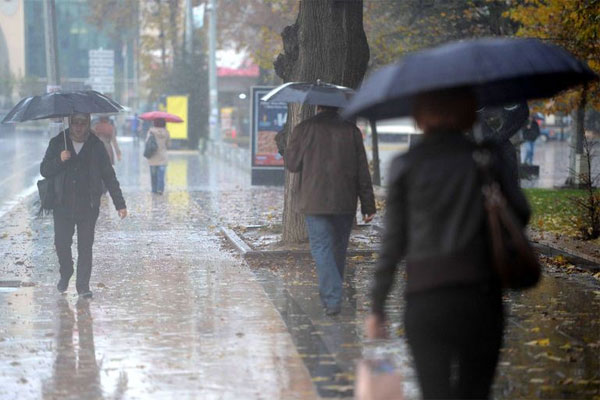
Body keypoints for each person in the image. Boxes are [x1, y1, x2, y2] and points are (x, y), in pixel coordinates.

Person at [365, 89, 530, 399]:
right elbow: (521, 213)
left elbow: (393, 243)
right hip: (480, 297)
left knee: (435, 392)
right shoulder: (487, 156)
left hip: (426, 299)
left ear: (420, 115)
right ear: (469, 113)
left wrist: (377, 306)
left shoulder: (406, 164)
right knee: (475, 391)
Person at [284, 105, 376, 316]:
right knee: (337, 249)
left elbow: (292, 164)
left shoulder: (304, 128)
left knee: (321, 248)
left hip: (314, 201)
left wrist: (288, 144)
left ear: (317, 106)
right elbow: (363, 170)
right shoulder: (351, 131)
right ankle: (332, 296)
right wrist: (368, 205)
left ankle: (333, 298)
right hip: (345, 201)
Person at [40, 113, 127, 298]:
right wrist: (60, 159)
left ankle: (83, 286)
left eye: (83, 123)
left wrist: (120, 203)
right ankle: (66, 272)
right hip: (62, 205)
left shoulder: (96, 145)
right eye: (75, 123)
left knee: (85, 247)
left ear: (88, 123)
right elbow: (45, 170)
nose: (79, 127)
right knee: (62, 244)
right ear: (70, 123)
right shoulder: (58, 142)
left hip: (88, 206)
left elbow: (108, 175)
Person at [145, 118, 171, 194]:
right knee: (161, 176)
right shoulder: (166, 132)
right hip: (163, 157)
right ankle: (160, 189)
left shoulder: (151, 132)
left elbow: (147, 142)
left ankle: (154, 189)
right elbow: (168, 145)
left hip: (153, 157)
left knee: (154, 176)